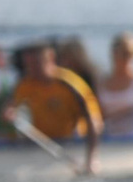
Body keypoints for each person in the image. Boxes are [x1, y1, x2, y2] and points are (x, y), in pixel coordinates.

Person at [7, 40, 103, 173]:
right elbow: (10, 107)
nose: (31, 70)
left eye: (36, 64)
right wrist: (9, 114)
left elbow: (94, 121)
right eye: (28, 65)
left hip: (73, 142)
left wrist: (91, 159)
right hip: (44, 144)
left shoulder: (69, 84)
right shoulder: (26, 84)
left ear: (50, 59)